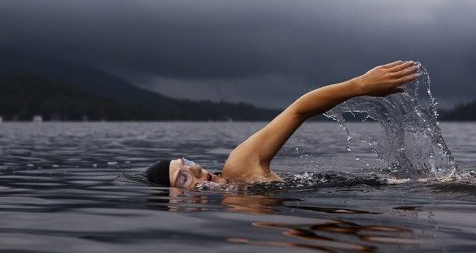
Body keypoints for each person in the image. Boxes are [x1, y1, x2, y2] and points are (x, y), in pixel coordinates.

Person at [146, 60, 420, 189]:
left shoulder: (239, 168)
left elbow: (298, 110)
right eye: (183, 177)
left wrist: (359, 85)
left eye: (187, 162)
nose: (195, 168)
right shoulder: (236, 207)